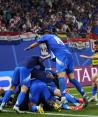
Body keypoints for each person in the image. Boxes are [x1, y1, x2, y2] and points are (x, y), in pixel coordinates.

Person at [24, 32, 88, 107]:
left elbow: (36, 43)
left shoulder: (46, 36)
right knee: (72, 79)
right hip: (68, 55)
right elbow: (56, 51)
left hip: (61, 56)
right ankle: (83, 94)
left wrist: (29, 47)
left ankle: (63, 98)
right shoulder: (55, 38)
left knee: (60, 76)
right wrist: (45, 58)